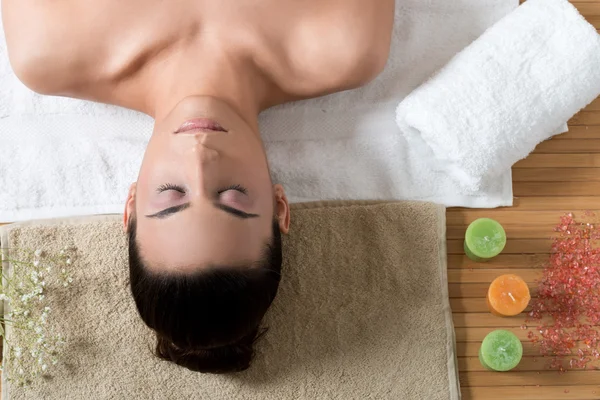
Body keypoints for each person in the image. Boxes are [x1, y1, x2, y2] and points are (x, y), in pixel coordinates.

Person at [2, 0, 395, 373]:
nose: (199, 157)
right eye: (234, 196)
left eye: (173, 193)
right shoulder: (345, 43)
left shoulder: (49, 48)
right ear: (280, 208)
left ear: (132, 204)